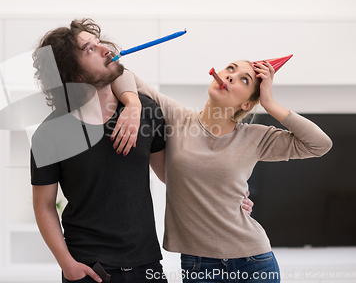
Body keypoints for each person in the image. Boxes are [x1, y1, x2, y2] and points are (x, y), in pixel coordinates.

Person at [30, 18, 255, 283]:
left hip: (146, 264)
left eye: (99, 42)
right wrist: (67, 264)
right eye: (89, 49)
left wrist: (226, 199)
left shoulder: (146, 111)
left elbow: (172, 178)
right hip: (89, 268)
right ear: (74, 74)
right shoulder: (50, 134)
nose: (106, 50)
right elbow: (44, 206)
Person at [111, 59, 332, 283]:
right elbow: (119, 72)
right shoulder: (178, 118)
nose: (230, 76)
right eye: (230, 69)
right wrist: (132, 104)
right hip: (199, 264)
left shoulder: (255, 137)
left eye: (244, 80)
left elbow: (319, 144)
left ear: (247, 104)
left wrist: (269, 103)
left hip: (253, 261)